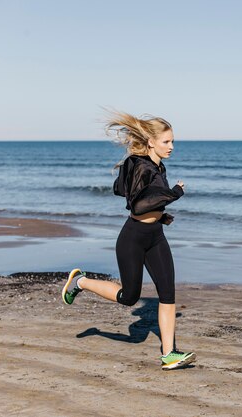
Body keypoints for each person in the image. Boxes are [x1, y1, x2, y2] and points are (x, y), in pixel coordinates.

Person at [62, 111, 195, 370]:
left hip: (155, 237)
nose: (172, 147)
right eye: (167, 142)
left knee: (168, 294)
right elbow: (138, 204)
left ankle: (169, 354)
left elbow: (136, 195)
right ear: (151, 141)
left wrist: (161, 215)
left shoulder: (157, 166)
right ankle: (81, 281)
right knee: (128, 297)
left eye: (173, 141)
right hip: (132, 239)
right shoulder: (141, 165)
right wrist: (173, 194)